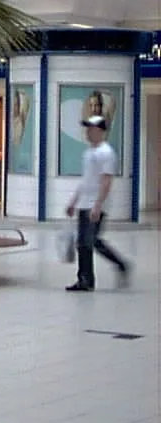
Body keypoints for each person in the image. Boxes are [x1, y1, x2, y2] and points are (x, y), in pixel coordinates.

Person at [64, 115, 131, 292]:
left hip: (96, 205)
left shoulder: (106, 153)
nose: (88, 132)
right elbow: (85, 181)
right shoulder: (88, 153)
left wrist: (98, 205)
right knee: (85, 243)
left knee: (88, 242)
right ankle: (87, 279)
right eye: (87, 129)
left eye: (91, 129)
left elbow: (106, 181)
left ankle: (98, 274)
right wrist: (73, 202)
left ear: (101, 131)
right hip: (85, 204)